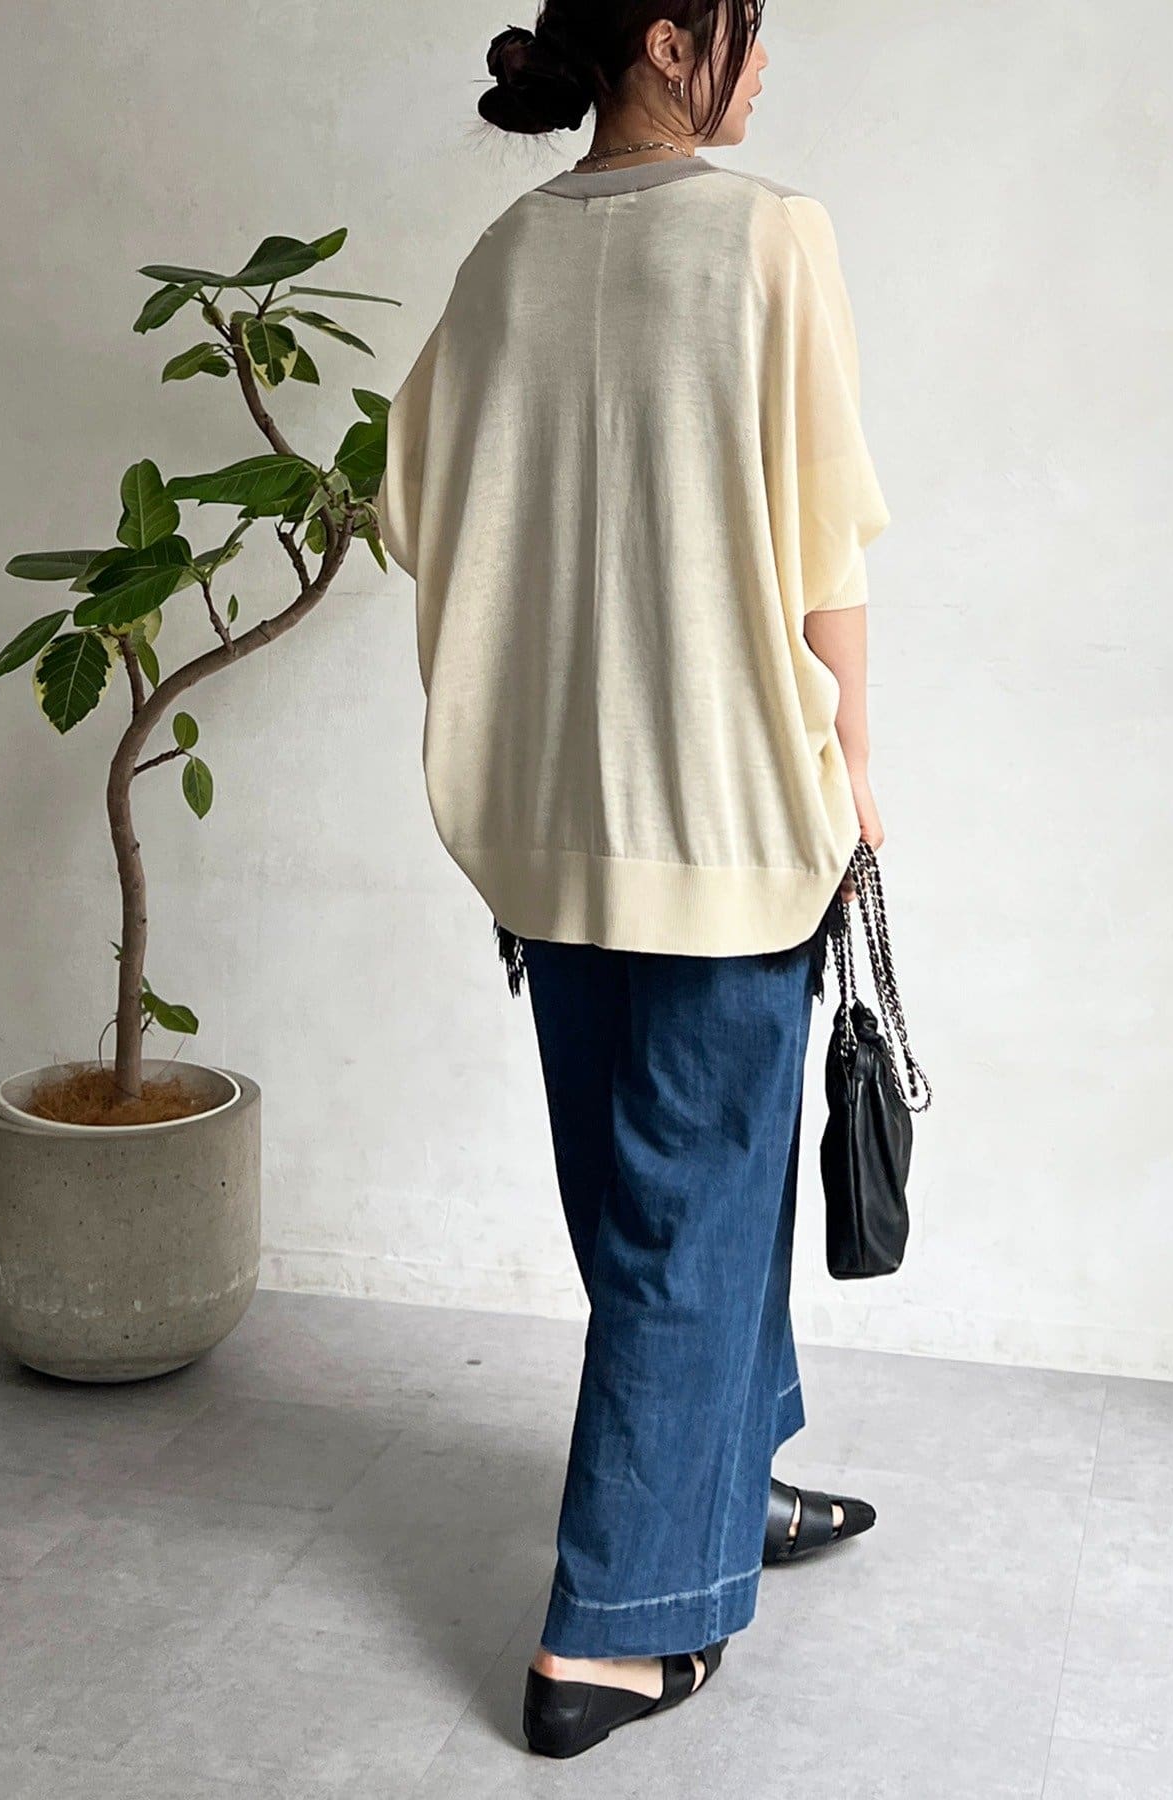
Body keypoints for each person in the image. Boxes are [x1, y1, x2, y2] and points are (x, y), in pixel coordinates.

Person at [377, 0, 890, 1760]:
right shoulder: (769, 238)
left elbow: (412, 507)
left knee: (651, 1202)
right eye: (751, 29)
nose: (768, 63)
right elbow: (826, 553)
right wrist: (861, 772)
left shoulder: (503, 259)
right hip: (723, 816)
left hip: (545, 820)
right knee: (691, 1207)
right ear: (673, 43)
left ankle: (720, 1483)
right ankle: (612, 1628)